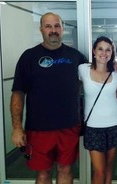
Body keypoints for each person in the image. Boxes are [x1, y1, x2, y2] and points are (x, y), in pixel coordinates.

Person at [10, 12, 88, 184]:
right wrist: (17, 128)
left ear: (62, 29)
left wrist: (116, 65)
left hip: (69, 127)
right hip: (38, 128)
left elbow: (96, 74)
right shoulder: (28, 57)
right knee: (43, 173)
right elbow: (18, 93)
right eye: (48, 26)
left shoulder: (76, 57)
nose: (53, 30)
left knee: (66, 169)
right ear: (41, 29)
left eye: (57, 26)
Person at [78, 36, 117, 184]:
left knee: (110, 167)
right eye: (100, 49)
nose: (104, 53)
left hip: (114, 124)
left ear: (112, 53)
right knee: (99, 170)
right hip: (93, 127)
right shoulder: (83, 69)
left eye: (108, 50)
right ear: (94, 51)